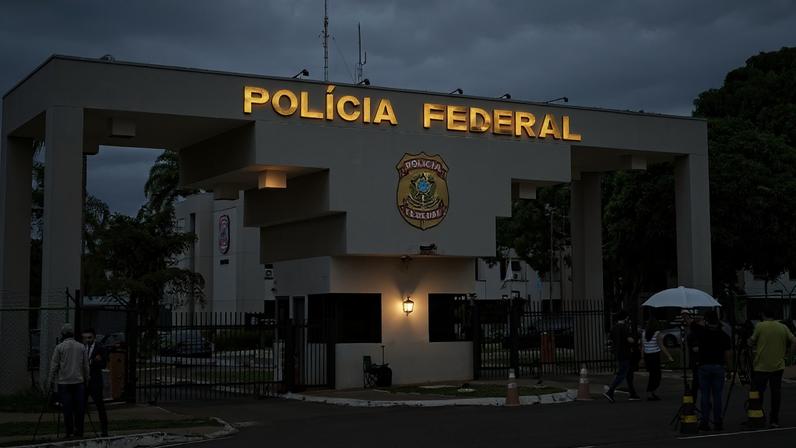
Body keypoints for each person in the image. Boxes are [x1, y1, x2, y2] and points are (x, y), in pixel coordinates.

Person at [748, 306, 796, 428]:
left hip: (761, 365)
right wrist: (789, 356)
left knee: (759, 393)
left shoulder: (760, 326)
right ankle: (774, 419)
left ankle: (759, 416)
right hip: (778, 365)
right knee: (776, 393)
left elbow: (751, 341)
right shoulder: (782, 327)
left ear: (763, 315)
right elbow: (794, 340)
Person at [48, 323, 89, 439]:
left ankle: (69, 431)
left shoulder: (59, 347)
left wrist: (50, 380)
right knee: (79, 408)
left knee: (67, 408)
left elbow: (54, 365)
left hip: (64, 382)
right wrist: (87, 379)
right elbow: (86, 366)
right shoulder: (81, 347)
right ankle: (79, 431)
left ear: (63, 334)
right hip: (78, 381)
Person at [693, 310, 731, 431]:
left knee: (704, 395)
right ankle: (717, 421)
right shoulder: (723, 335)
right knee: (717, 395)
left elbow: (693, 328)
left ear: (706, 320)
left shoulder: (701, 333)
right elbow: (728, 353)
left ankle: (704, 421)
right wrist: (729, 369)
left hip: (704, 365)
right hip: (718, 366)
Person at [604, 310, 640, 402]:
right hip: (625, 352)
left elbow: (611, 338)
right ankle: (610, 391)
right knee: (622, 373)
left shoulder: (614, 327)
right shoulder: (624, 327)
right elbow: (629, 340)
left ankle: (632, 393)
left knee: (626, 372)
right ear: (626, 318)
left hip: (618, 352)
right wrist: (635, 340)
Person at [82, 329, 109, 437]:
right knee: (80, 406)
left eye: (89, 337)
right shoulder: (81, 348)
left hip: (95, 382)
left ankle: (104, 430)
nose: (87, 340)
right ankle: (79, 430)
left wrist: (93, 361)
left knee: (100, 406)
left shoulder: (100, 348)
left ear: (94, 337)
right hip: (83, 382)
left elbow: (103, 364)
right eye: (85, 338)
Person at [642, 318, 674, 401]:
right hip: (654, 355)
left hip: (647, 355)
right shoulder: (657, 333)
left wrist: (642, 357)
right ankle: (651, 391)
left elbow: (643, 346)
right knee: (656, 375)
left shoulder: (644, 333)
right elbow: (661, 345)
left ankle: (652, 392)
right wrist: (669, 356)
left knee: (652, 374)